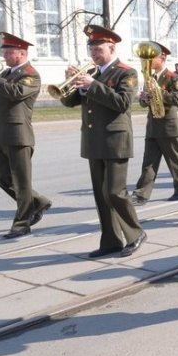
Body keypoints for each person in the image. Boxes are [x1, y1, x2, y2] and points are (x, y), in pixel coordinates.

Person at [60, 25, 145, 258]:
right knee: (101, 194)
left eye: (98, 48)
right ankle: (111, 240)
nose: (94, 53)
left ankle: (135, 233)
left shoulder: (125, 72)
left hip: (115, 140)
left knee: (115, 191)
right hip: (93, 140)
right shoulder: (93, 74)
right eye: (91, 49)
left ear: (112, 48)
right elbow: (70, 103)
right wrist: (70, 84)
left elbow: (122, 103)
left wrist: (92, 85)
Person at [0, 32, 52, 239]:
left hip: (18, 135)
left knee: (21, 181)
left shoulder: (31, 75)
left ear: (21, 53)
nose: (4, 55)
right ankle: (39, 202)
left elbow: (14, 93)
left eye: (9, 51)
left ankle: (22, 223)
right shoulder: (7, 73)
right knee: (1, 178)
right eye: (4, 51)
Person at [131, 42, 178, 205]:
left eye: (151, 57)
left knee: (174, 161)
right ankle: (141, 194)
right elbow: (145, 104)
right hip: (153, 125)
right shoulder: (150, 77)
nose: (148, 61)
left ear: (162, 57)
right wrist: (144, 98)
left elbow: (177, 100)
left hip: (168, 125)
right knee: (148, 162)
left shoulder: (172, 77)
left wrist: (158, 91)